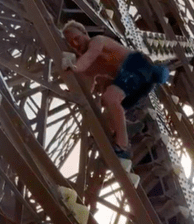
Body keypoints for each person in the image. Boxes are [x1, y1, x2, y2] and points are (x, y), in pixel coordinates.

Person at [62, 20, 168, 158]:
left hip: (136, 65)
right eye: (71, 43)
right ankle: (126, 129)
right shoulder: (90, 67)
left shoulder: (97, 41)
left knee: (109, 97)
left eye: (77, 38)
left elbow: (89, 57)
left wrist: (74, 67)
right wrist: (73, 94)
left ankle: (123, 146)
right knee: (106, 118)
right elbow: (87, 87)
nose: (75, 44)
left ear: (84, 32)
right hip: (134, 86)